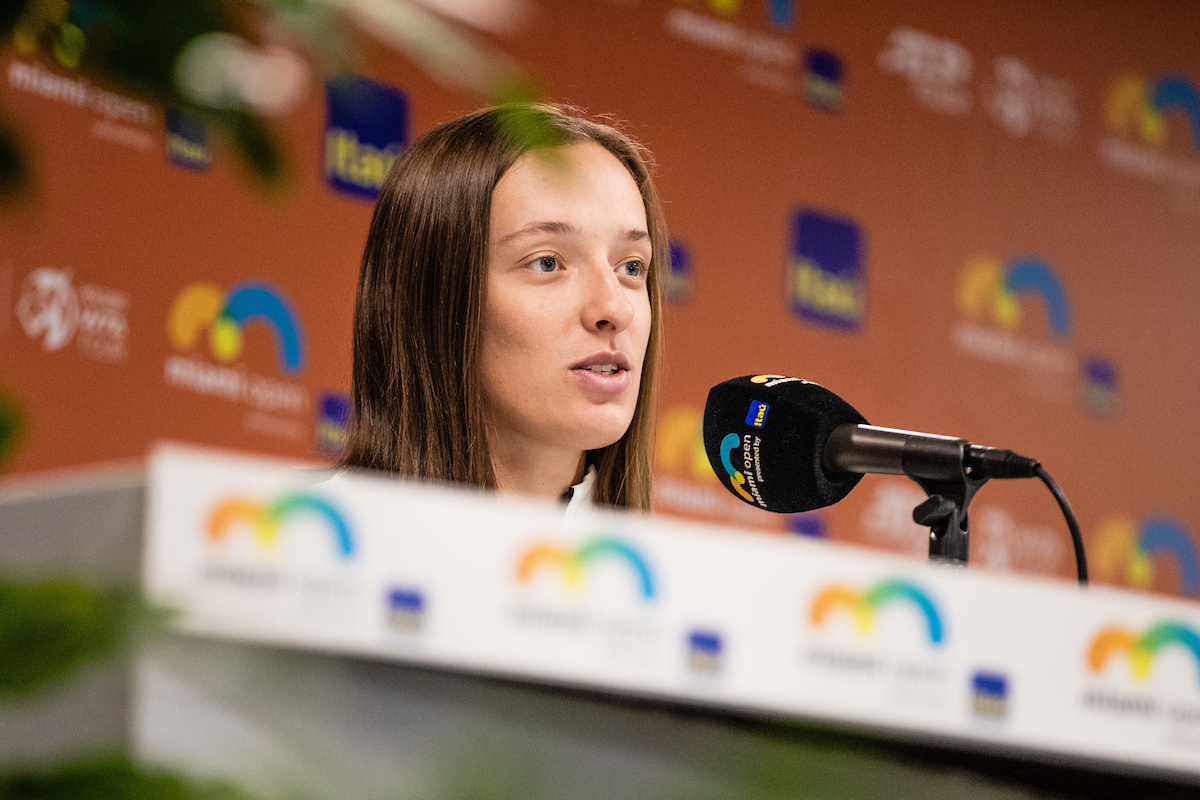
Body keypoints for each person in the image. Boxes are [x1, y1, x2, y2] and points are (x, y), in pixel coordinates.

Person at [340, 104, 666, 511]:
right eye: (547, 262)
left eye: (631, 266)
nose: (615, 308)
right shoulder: (289, 550)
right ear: (437, 298)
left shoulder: (682, 571)